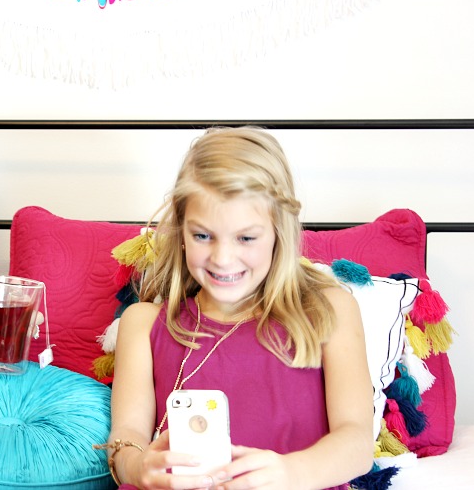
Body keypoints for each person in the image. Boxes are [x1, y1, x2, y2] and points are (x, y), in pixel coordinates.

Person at [105, 127, 375, 489]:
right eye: (202, 236)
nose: (223, 258)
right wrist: (139, 467)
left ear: (279, 231)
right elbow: (125, 438)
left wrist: (292, 473)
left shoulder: (329, 310)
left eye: (246, 238)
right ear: (182, 231)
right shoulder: (143, 324)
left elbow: (357, 442)